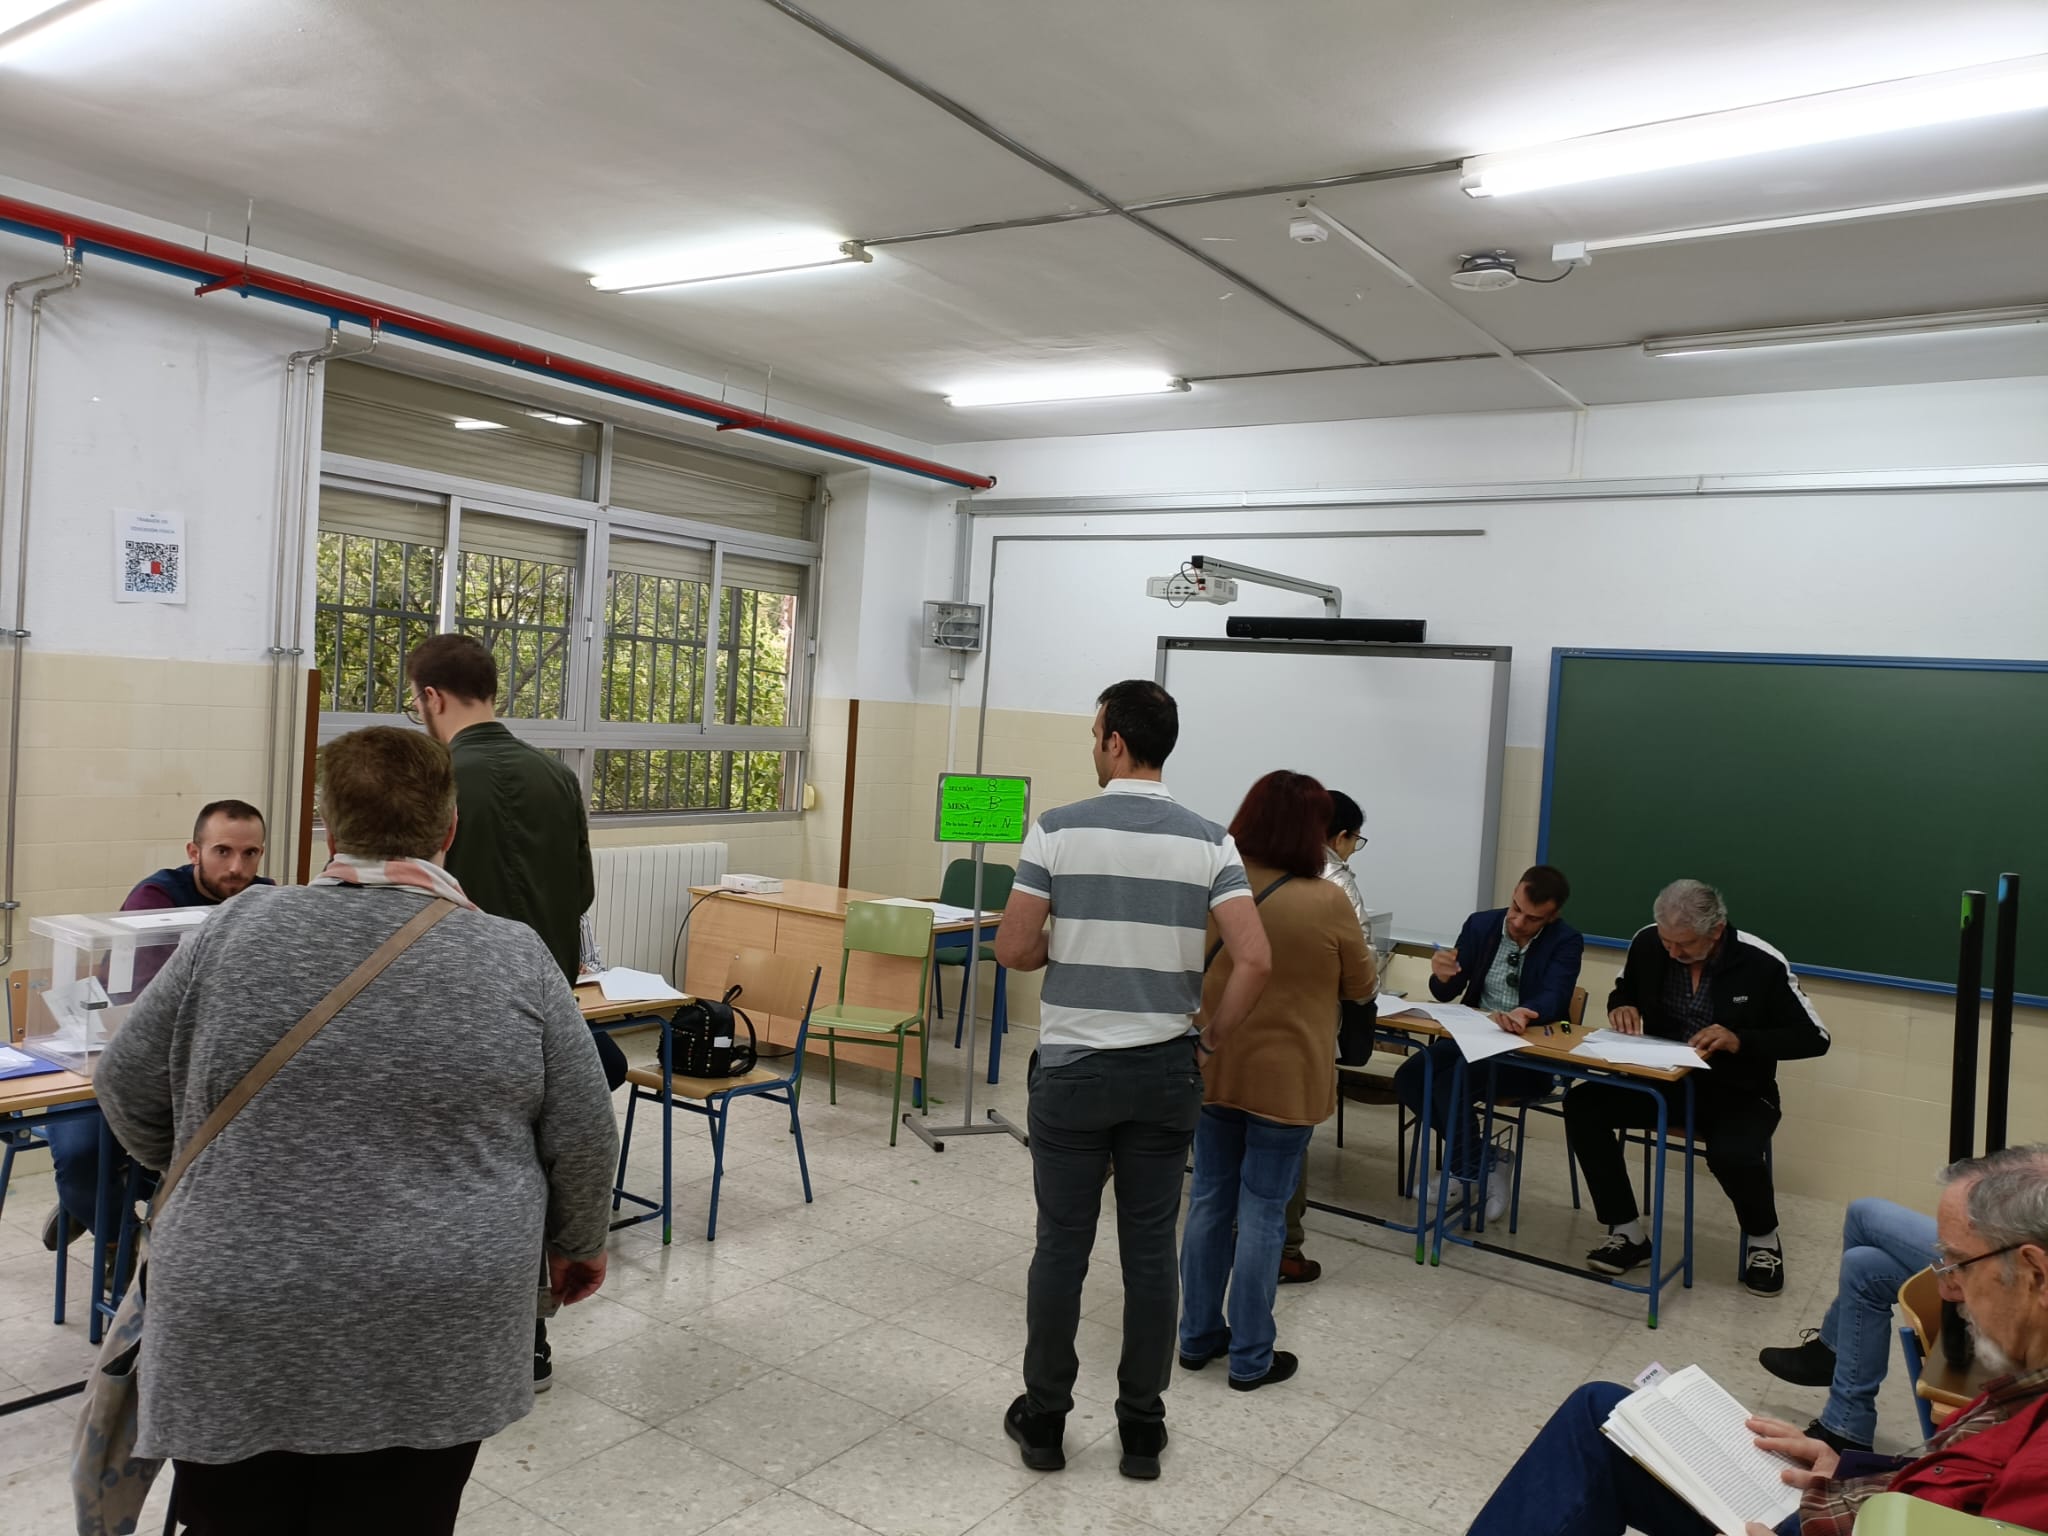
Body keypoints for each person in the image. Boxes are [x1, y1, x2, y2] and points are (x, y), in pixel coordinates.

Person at [94, 727, 620, 1536]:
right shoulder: (514, 957)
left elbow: (124, 1084)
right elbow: (584, 1135)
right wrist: (578, 1243)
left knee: (233, 1519)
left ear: (328, 834)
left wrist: (220, 1172)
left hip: (238, 1303)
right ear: (449, 832)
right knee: (403, 1517)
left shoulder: (233, 930)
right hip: (438, 1314)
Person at [1464, 1143, 2048, 1536]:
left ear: (2035, 1274)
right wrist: (1849, 1466)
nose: (1947, 1291)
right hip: (1851, 1504)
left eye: (1957, 1265)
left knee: (1598, 1422)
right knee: (1604, 1412)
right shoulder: (2027, 1382)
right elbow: (1958, 1482)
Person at [994, 679, 1271, 1482]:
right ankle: (1141, 1429)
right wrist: (1211, 1034)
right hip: (1164, 1074)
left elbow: (1013, 949)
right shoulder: (1211, 842)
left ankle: (1045, 1420)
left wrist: (1066, 948)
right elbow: (1254, 957)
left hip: (1076, 1071)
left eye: (1095, 734)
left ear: (1115, 741)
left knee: (1061, 1249)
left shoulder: (1057, 830)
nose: (1092, 745)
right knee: (1152, 1255)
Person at [407, 633, 613, 1389]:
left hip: (454, 1006)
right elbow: (582, 891)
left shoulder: (437, 777)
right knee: (532, 1164)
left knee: (459, 1170)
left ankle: (455, 1331)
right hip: (549, 1000)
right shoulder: (557, 778)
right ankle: (529, 1339)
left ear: (431, 697)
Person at [1179, 770, 1373, 1392]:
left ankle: (1195, 1337)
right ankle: (1251, 1358)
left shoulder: (1217, 882)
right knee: (1263, 1211)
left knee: (1208, 1200)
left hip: (1216, 1063)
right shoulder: (1327, 899)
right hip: (1290, 1080)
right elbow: (1362, 987)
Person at [1565, 878, 1829, 1297]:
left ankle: (1763, 1242)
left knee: (1733, 1154)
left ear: (1716, 931)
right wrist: (1622, 1008)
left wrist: (1740, 1039)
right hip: (1664, 1080)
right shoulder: (1649, 943)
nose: (1673, 952)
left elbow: (1816, 1038)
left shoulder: (1762, 962)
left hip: (1739, 1089)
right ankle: (1628, 1234)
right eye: (1667, 942)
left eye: (1684, 945)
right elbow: (1623, 991)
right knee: (1582, 1105)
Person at [40, 800, 273, 1255]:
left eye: (250, 854)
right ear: (194, 851)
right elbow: (159, 1005)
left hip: (198, 1066)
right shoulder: (156, 899)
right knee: (81, 1155)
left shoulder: (265, 898)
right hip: (109, 1053)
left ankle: (104, 1201)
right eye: (222, 851)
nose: (237, 867)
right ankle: (114, 1241)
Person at [1391, 865, 1583, 1223]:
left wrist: (1527, 1012)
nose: (1518, 922)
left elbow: (1556, 995)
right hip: (1473, 1035)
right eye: (1515, 908)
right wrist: (1442, 975)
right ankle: (1486, 1160)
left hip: (1527, 1051)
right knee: (1411, 1077)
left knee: (1452, 1082)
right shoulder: (1481, 924)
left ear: (1552, 917)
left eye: (1532, 919)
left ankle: (1464, 1175)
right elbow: (1447, 991)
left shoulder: (1567, 941)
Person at [1281, 788, 1375, 1285]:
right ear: (1339, 835)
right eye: (1354, 840)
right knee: (1288, 1143)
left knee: (1227, 1152)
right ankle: (1286, 1250)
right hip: (1304, 1034)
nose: (1351, 850)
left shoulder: (1249, 864)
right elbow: (1361, 975)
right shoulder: (1336, 882)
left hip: (1234, 1033)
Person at [1759, 1197, 1941, 1452]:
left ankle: (1832, 1353)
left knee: (1862, 1214)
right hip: (2003, 1245)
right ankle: (1845, 1428)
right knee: (1863, 1265)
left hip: (2005, 1267)